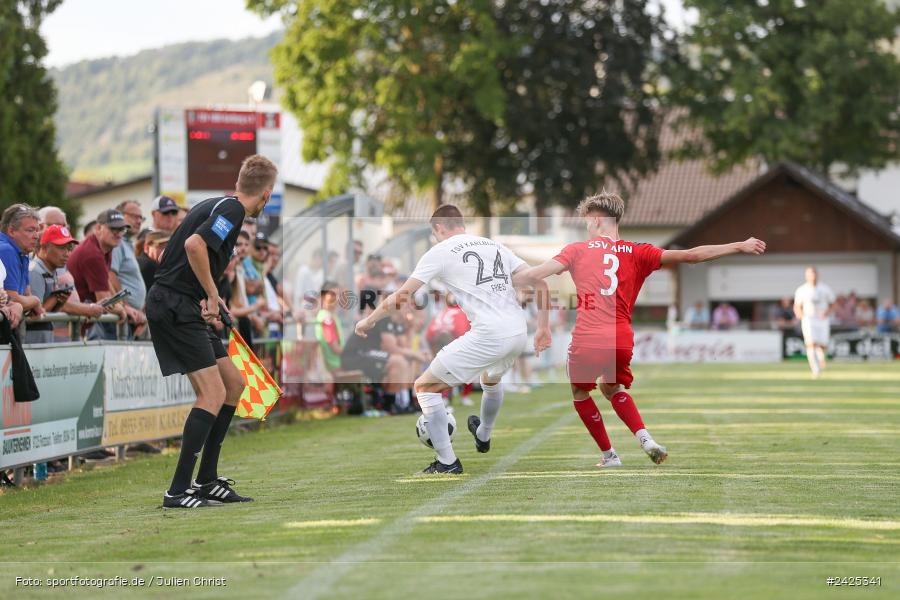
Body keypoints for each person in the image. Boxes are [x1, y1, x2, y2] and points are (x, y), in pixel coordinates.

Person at [518, 192, 766, 468]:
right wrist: (739, 245)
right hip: (621, 338)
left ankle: (609, 456)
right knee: (611, 387)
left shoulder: (576, 250)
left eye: (588, 222)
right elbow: (692, 256)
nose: (587, 228)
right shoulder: (639, 251)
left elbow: (534, 275)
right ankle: (645, 438)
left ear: (598, 220)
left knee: (580, 392)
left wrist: (509, 278)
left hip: (588, 335)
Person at [355, 204, 551, 475]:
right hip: (518, 332)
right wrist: (543, 328)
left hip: (490, 333)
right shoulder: (493, 245)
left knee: (424, 387)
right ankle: (483, 434)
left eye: (434, 234)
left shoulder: (440, 251)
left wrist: (369, 319)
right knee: (491, 380)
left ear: (438, 228)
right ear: (461, 224)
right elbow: (539, 281)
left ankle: (447, 462)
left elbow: (402, 295)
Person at [146, 154, 277, 509]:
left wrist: (210, 298)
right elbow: (193, 246)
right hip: (173, 305)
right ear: (266, 194)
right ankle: (177, 491)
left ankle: (206, 481)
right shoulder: (233, 212)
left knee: (234, 385)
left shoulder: (218, 204)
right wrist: (213, 292)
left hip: (183, 305)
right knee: (212, 394)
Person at [26, 225, 105, 343]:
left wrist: (59, 302)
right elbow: (32, 317)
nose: (67, 253)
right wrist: (55, 299)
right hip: (32, 342)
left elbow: (47, 312)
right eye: (61, 247)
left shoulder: (52, 270)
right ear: (44, 247)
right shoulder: (35, 271)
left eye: (69, 248)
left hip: (43, 340)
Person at [67, 210, 129, 339]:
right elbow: (104, 301)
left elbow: (105, 282)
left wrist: (121, 306)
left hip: (82, 322)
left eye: (122, 229)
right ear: (98, 227)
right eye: (113, 229)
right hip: (76, 327)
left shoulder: (104, 247)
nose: (118, 233)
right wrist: (121, 310)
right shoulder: (93, 254)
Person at [0, 204, 45, 319]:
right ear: (11, 231)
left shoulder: (22, 252)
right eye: (30, 230)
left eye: (37, 230)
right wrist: (35, 301)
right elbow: (11, 298)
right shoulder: (6, 250)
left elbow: (25, 295)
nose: (36, 236)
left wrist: (30, 302)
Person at [110, 201, 147, 337]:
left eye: (141, 218)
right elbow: (111, 274)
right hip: (122, 317)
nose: (139, 221)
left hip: (132, 317)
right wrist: (125, 305)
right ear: (120, 216)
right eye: (134, 216)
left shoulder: (127, 244)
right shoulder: (117, 243)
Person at [793, 267, 836, 378]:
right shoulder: (802, 290)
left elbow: (833, 304)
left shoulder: (825, 288)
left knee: (823, 345)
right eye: (810, 274)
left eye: (814, 273)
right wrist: (800, 314)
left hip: (822, 320)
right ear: (806, 276)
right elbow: (797, 306)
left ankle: (822, 357)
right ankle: (815, 370)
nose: (812, 276)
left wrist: (827, 312)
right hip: (809, 320)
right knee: (810, 344)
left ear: (817, 275)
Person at [315, 281, 344, 372]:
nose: (336, 298)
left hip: (337, 365)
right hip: (334, 368)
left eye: (338, 294)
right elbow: (335, 348)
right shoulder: (327, 319)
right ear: (323, 297)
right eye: (332, 295)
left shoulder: (331, 316)